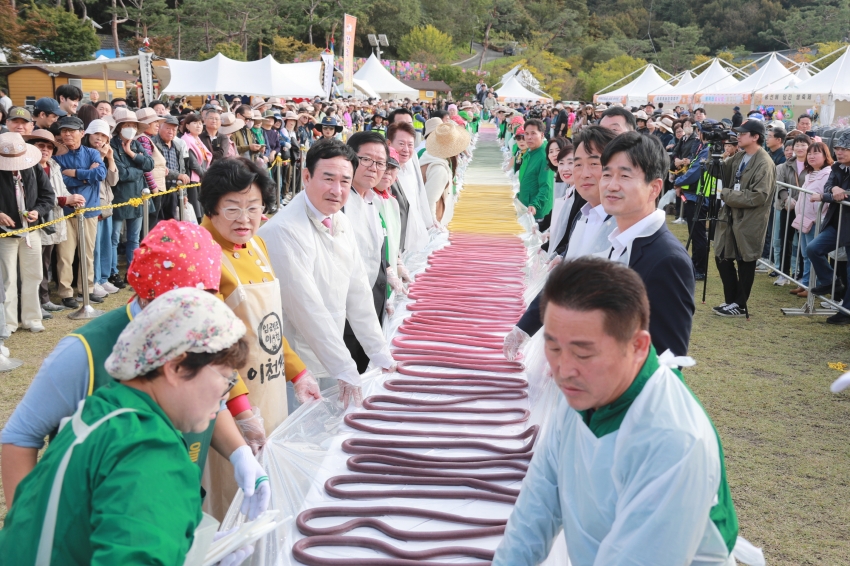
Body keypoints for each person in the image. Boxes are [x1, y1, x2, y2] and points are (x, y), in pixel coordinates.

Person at [493, 257, 752, 566]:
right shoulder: (584, 389)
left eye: (583, 352)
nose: (563, 370)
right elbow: (537, 506)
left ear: (639, 346)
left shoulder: (675, 441)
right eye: (553, 347)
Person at [0, 221, 269, 514]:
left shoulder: (202, 328)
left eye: (203, 300)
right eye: (178, 305)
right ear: (146, 295)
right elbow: (19, 437)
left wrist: (240, 454)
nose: (192, 317)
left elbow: (210, 398)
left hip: (172, 508)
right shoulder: (84, 352)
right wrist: (27, 525)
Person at [0, 288, 256, 565]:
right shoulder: (149, 451)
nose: (226, 395)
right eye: (226, 378)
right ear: (176, 367)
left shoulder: (100, 412)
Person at [257, 139, 395, 408]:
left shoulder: (339, 219)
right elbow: (307, 309)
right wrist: (344, 367)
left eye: (345, 181)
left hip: (332, 353)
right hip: (299, 366)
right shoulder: (283, 231)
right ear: (306, 176)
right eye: (328, 179)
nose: (337, 190)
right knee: (304, 432)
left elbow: (358, 292)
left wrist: (379, 352)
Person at [598, 131, 695, 355]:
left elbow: (668, 360)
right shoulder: (619, 240)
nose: (611, 185)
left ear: (654, 188)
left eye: (624, 176)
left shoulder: (668, 261)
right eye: (607, 175)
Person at [709, 119, 776, 318]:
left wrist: (727, 195)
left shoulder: (764, 162)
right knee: (721, 254)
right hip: (731, 216)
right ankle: (731, 301)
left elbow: (759, 196)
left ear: (755, 137)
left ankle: (740, 303)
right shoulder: (740, 157)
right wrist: (712, 156)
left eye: (743, 133)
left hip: (750, 219)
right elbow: (718, 172)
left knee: (746, 259)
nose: (738, 136)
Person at [0, 132, 54, 334]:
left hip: (31, 231)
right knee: (7, 279)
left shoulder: (33, 166)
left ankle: (32, 318)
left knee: (34, 274)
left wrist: (37, 211)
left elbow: (48, 196)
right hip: (5, 234)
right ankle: (9, 322)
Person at [53, 115, 107, 308]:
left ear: (81, 133)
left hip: (89, 209)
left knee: (87, 253)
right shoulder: (57, 156)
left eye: (71, 131)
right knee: (65, 255)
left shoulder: (92, 153)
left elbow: (100, 174)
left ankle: (87, 289)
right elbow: (59, 180)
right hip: (65, 210)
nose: (67, 134)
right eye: (64, 131)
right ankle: (66, 292)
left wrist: (75, 173)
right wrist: (86, 176)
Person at [25, 130, 77, 317]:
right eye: (41, 146)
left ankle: (44, 299)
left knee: (47, 261)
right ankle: (40, 300)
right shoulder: (27, 166)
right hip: (35, 221)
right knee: (37, 263)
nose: (45, 150)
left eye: (49, 147)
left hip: (54, 220)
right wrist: (65, 200)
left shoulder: (54, 165)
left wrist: (69, 198)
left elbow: (60, 190)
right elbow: (40, 197)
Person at [805, 131, 850, 323]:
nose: (839, 152)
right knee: (813, 248)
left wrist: (830, 195)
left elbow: (835, 195)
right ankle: (830, 282)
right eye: (838, 148)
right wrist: (834, 190)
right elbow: (828, 187)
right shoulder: (838, 167)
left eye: (845, 149)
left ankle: (846, 312)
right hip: (837, 222)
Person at [110, 108, 154, 281]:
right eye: (127, 125)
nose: (131, 128)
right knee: (114, 238)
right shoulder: (112, 145)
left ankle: (132, 271)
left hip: (138, 196)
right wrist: (139, 169)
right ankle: (113, 272)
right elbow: (122, 174)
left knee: (134, 238)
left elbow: (149, 164)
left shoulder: (136, 144)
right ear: (120, 127)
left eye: (133, 126)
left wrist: (131, 154)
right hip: (120, 197)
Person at [82, 120, 120, 297]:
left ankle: (104, 278)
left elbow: (113, 181)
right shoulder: (85, 154)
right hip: (92, 205)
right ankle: (95, 280)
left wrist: (110, 157)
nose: (99, 138)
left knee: (106, 243)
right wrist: (102, 158)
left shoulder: (108, 152)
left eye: (104, 135)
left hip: (107, 205)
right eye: (96, 134)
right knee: (94, 247)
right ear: (88, 135)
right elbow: (92, 177)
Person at [790, 141, 834, 297]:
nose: (811, 156)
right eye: (810, 153)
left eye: (816, 153)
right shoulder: (809, 174)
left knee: (812, 253)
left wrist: (818, 217)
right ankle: (806, 282)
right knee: (805, 253)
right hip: (803, 219)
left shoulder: (828, 174)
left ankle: (813, 285)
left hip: (815, 221)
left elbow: (826, 198)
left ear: (825, 155)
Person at [674, 124, 712, 280]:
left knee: (698, 234)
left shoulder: (707, 150)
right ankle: (695, 264)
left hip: (699, 196)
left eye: (699, 131)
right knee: (695, 232)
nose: (697, 133)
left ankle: (700, 268)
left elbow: (695, 172)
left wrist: (678, 182)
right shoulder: (703, 147)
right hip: (693, 195)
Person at [387, 121, 431, 256]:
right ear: (389, 144)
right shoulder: (384, 174)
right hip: (394, 243)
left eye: (410, 145)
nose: (406, 149)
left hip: (412, 239)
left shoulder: (411, 163)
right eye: (401, 144)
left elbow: (418, 197)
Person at [773, 134, 811, 285]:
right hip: (787, 207)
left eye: (803, 145)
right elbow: (780, 183)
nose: (800, 148)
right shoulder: (786, 165)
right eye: (797, 145)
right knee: (785, 240)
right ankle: (784, 273)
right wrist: (786, 198)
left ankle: (802, 275)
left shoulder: (813, 165)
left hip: (806, 210)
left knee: (803, 243)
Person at [420, 123, 470, 224]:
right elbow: (429, 202)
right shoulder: (439, 169)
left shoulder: (428, 156)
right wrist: (433, 225)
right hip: (430, 224)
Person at [517, 119, 554, 230]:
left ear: (542, 135)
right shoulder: (530, 151)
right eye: (526, 134)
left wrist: (535, 204)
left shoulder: (545, 156)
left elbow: (546, 186)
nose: (529, 137)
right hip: (526, 206)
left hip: (536, 211)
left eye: (533, 133)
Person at [153, 115, 191, 221]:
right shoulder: (153, 144)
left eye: (174, 129)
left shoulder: (177, 147)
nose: (171, 132)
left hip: (173, 190)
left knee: (171, 221)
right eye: (168, 128)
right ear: (160, 127)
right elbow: (158, 169)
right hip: (158, 189)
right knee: (156, 221)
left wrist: (184, 193)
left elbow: (182, 170)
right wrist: (178, 175)